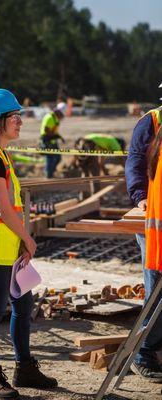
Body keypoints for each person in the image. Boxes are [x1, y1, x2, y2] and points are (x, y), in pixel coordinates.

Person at [0, 88, 58, 399]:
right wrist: (28, 237)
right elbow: (3, 208)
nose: (20, 121)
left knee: (23, 305)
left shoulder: (3, 157)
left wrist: (21, 241)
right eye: (14, 116)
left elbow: (13, 208)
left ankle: (24, 368)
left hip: (9, 246)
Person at [125, 88, 162, 382]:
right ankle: (143, 352)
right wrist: (140, 197)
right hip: (156, 221)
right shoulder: (151, 122)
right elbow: (135, 163)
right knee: (157, 291)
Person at [40, 102, 66, 178]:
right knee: (50, 158)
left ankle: (51, 172)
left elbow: (54, 130)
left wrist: (59, 137)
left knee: (58, 158)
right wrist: (55, 136)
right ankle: (48, 175)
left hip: (53, 141)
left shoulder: (56, 118)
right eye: (62, 115)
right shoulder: (49, 118)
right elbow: (46, 130)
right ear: (58, 112)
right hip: (47, 140)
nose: (62, 117)